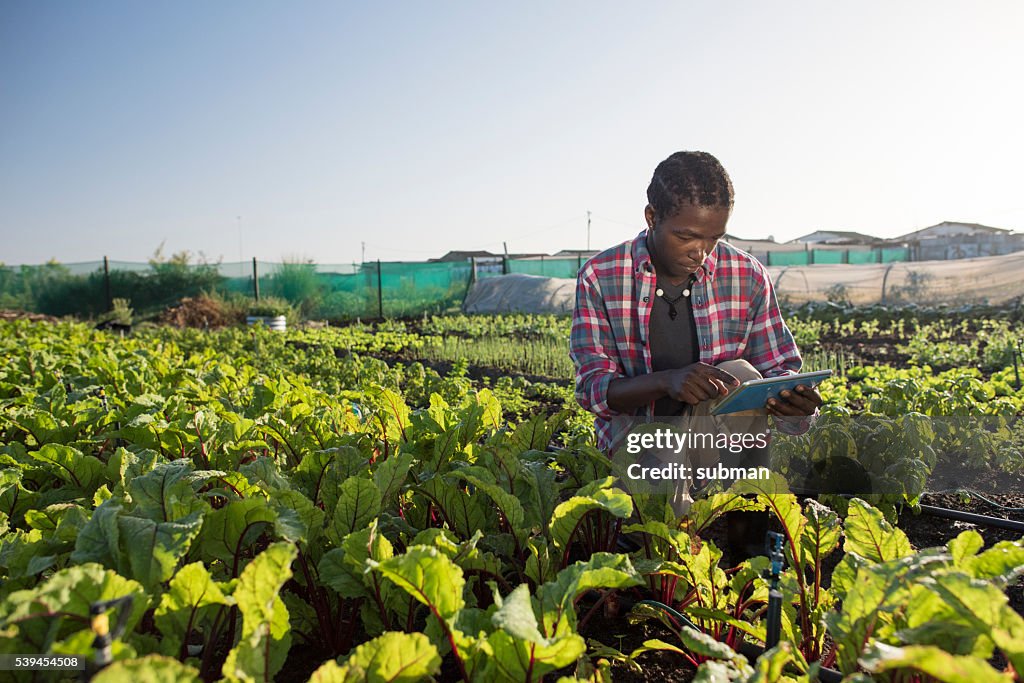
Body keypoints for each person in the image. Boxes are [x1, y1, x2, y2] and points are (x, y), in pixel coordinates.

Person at [569, 150, 822, 558]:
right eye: (686, 236)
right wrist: (666, 380)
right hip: (642, 436)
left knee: (743, 371)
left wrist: (796, 406)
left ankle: (748, 555)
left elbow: (780, 369)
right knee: (657, 524)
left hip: (718, 441)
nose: (700, 251)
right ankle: (658, 556)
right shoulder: (602, 276)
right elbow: (594, 390)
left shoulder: (746, 274)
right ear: (652, 217)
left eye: (713, 238)